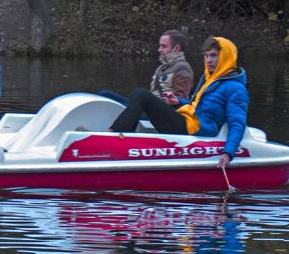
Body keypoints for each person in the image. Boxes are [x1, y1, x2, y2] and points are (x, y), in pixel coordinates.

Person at [108, 36, 248, 168]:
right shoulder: (209, 79)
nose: (209, 60)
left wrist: (228, 152)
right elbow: (195, 106)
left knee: (142, 95)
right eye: (206, 56)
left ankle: (112, 137)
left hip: (194, 130)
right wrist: (177, 102)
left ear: (226, 57)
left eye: (213, 56)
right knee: (137, 93)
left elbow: (237, 123)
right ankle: (124, 141)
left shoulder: (236, 88)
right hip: (186, 120)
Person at [99, 29, 194, 104]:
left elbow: (180, 101)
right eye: (159, 46)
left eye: (163, 46)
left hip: (159, 113)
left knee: (140, 93)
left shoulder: (183, 68)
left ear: (176, 48)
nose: (159, 50)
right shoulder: (162, 67)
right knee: (105, 94)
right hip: (147, 107)